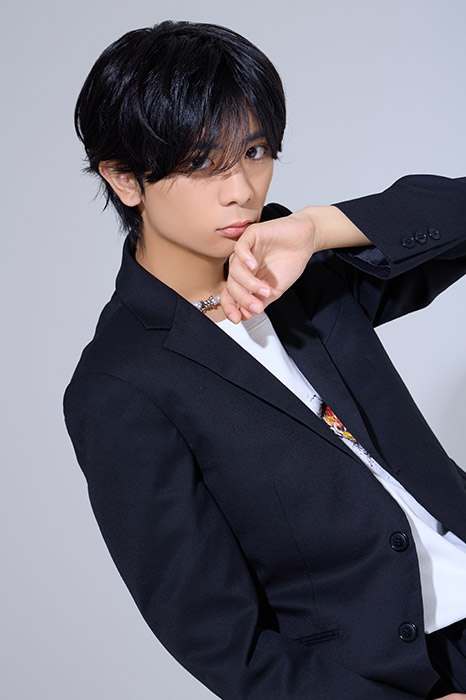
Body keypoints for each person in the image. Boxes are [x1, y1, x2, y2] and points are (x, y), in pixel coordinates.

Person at [64, 20, 466, 700]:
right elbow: (220, 637)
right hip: (401, 679)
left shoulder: (298, 263)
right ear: (125, 179)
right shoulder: (120, 384)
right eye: (201, 163)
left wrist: (316, 226)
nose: (241, 189)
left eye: (253, 151)